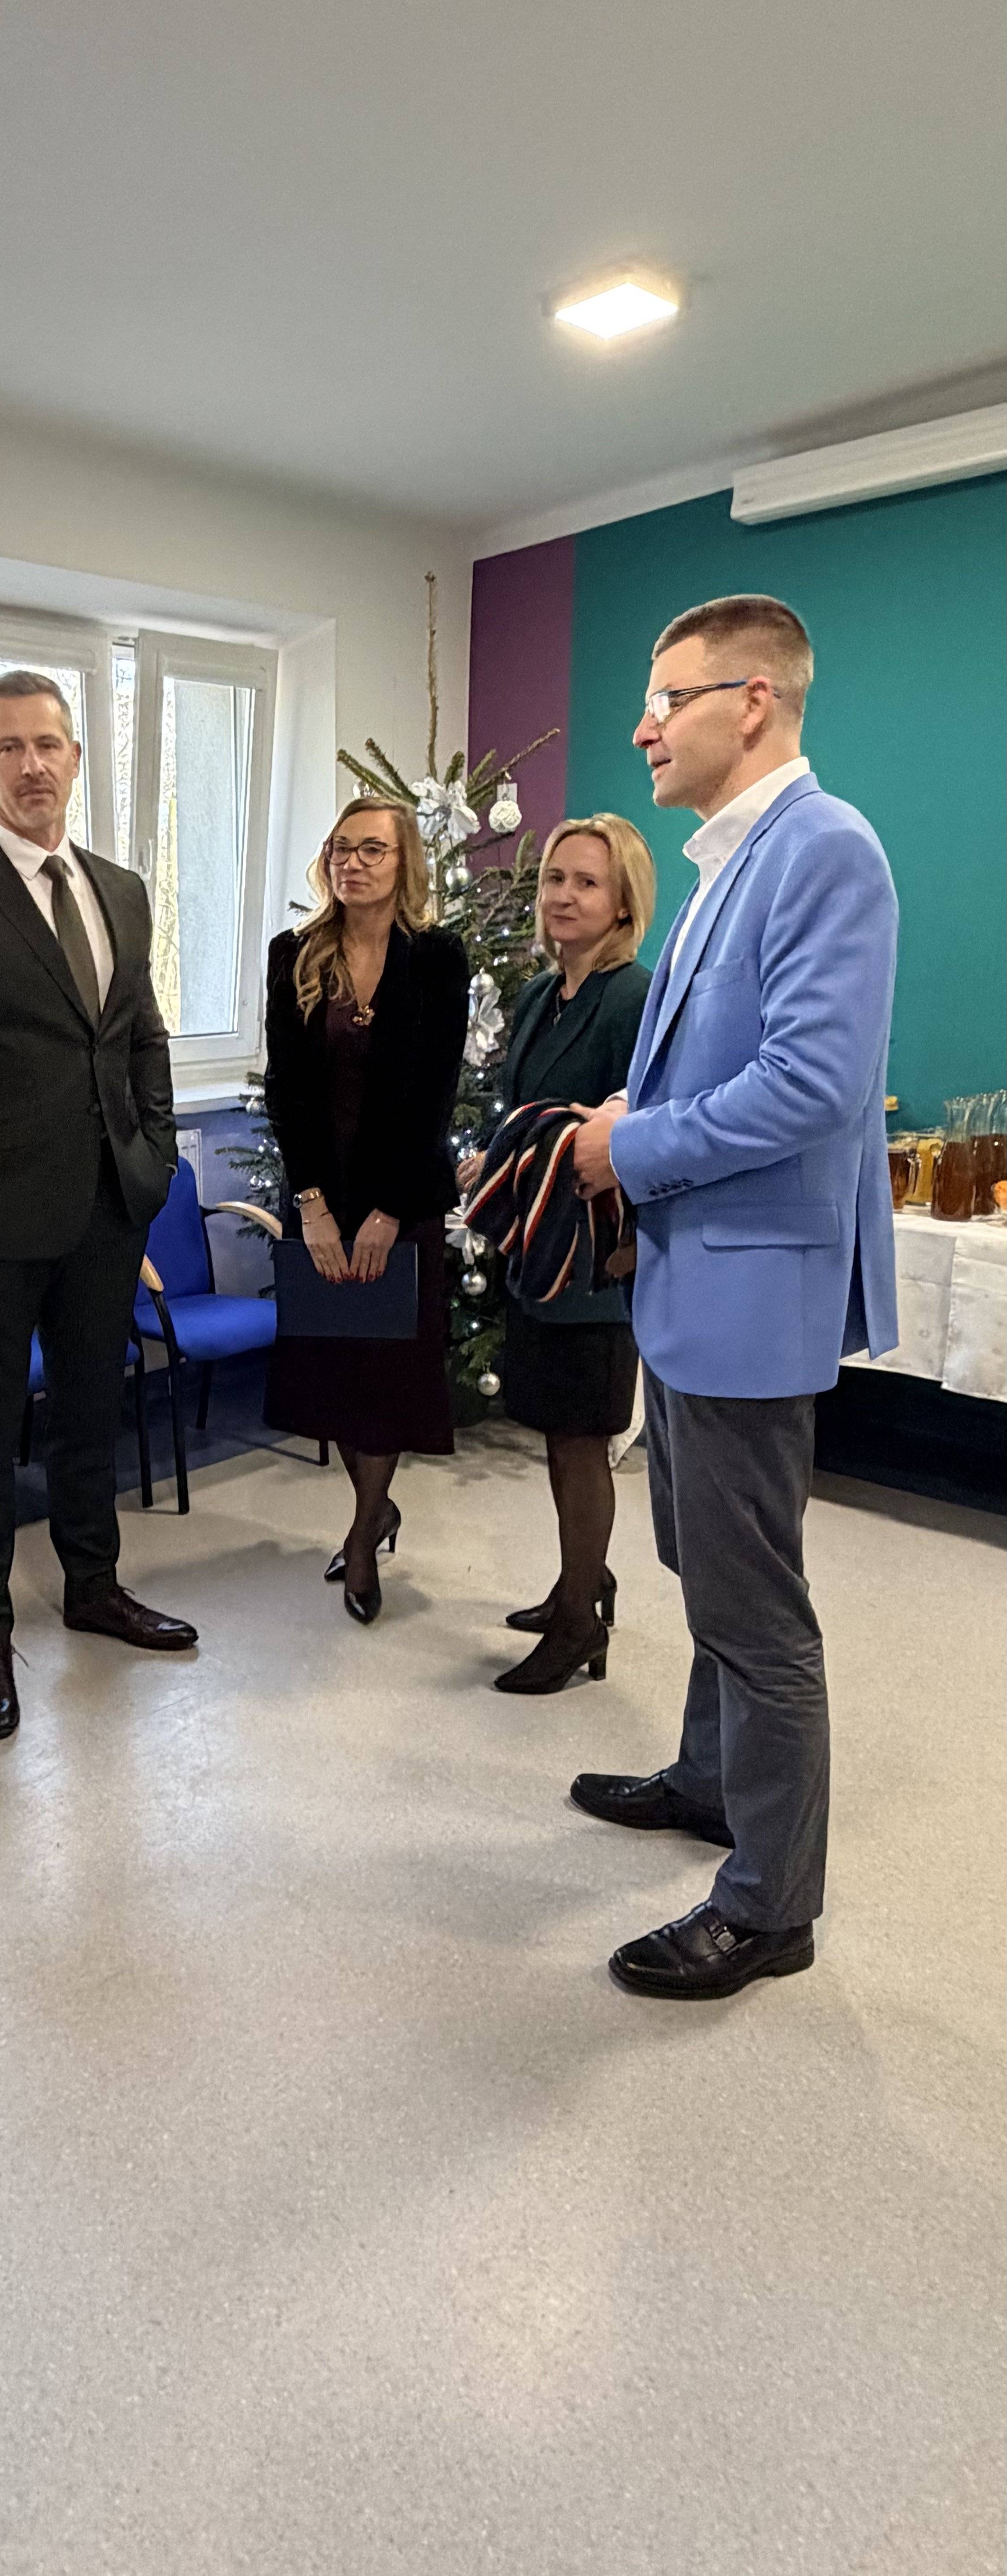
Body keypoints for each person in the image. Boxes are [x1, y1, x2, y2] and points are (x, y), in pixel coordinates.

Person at [570, 593, 898, 2001]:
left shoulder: (823, 848)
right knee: (703, 1566)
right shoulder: (730, 859)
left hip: (749, 1297)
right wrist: (626, 1115)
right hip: (699, 1284)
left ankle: (769, 1906)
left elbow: (810, 1085)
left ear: (749, 701)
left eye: (666, 698)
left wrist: (630, 1147)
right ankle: (709, 1782)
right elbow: (719, 1063)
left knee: (756, 1611)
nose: (641, 726)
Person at [0, 670, 196, 1743]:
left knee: (92, 1415)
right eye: (7, 747)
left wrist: (152, 1159)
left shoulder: (120, 889)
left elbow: (140, 1034)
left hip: (107, 1210)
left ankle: (93, 1587)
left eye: (47, 744)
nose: (30, 765)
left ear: (74, 757)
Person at [458, 814, 654, 1696]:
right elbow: (527, 1117)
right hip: (540, 1249)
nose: (562, 897)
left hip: (598, 1261)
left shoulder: (633, 998)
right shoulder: (542, 995)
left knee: (582, 1438)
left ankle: (579, 1623)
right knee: (554, 1429)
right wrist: (493, 1159)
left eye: (585, 883)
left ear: (623, 905)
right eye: (552, 879)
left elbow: (639, 1126)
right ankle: (582, 1580)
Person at [262, 795, 469, 1622]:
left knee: (385, 1379)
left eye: (372, 850)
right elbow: (286, 1090)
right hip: (321, 1199)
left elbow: (432, 1095)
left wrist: (388, 1209)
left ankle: (360, 1538)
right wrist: (313, 1207)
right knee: (337, 1376)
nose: (352, 863)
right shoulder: (294, 954)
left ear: (404, 861)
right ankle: (373, 1511)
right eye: (341, 848)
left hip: (402, 1201)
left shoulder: (437, 958)